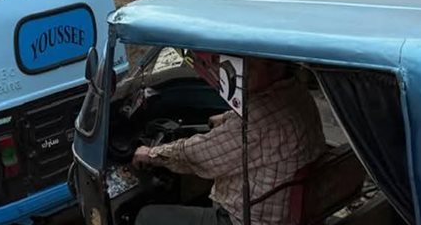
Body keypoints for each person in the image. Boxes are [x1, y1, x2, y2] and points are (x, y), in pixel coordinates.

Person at [132, 60, 326, 225]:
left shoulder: (255, 120)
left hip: (246, 219)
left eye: (252, 66)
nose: (243, 73)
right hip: (285, 209)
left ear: (275, 68)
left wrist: (151, 154)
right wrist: (228, 118)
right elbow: (263, 116)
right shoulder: (295, 92)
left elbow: (199, 155)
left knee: (145, 216)